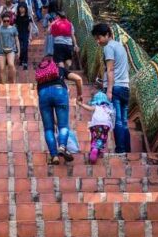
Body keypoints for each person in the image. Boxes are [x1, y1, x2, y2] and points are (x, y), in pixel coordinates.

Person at [35, 56, 83, 165]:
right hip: (60, 92)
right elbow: (78, 79)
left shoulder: (41, 75)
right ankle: (62, 146)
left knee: (48, 129)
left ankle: (54, 156)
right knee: (63, 126)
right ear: (53, 63)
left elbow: (39, 92)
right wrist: (79, 95)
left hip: (43, 95)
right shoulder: (59, 69)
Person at [91, 23, 131, 153]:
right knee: (124, 121)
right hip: (125, 86)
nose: (98, 41)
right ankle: (127, 150)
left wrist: (109, 90)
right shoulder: (119, 46)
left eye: (99, 38)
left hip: (115, 87)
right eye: (96, 39)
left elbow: (110, 69)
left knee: (117, 121)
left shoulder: (108, 47)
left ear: (107, 35)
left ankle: (120, 150)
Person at [76, 91, 114, 164]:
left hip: (96, 124)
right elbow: (112, 116)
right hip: (106, 125)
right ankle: (100, 150)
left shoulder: (96, 107)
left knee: (95, 137)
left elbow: (89, 108)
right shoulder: (107, 108)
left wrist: (81, 104)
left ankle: (94, 148)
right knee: (103, 137)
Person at [0, 11, 20, 84]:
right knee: (2, 68)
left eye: (8, 21)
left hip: (11, 49)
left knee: (11, 64)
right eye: (4, 21)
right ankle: (4, 83)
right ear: (2, 20)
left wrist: (19, 51)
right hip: (0, 49)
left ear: (10, 20)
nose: (6, 22)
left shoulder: (13, 28)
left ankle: (14, 81)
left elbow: (17, 40)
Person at [14, 2, 37, 70]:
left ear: (25, 8)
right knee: (19, 48)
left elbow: (30, 27)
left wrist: (30, 36)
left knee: (25, 48)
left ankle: (25, 62)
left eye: (23, 8)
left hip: (25, 34)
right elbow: (15, 26)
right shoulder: (17, 17)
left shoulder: (28, 17)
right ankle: (21, 60)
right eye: (20, 8)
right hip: (18, 34)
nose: (21, 9)